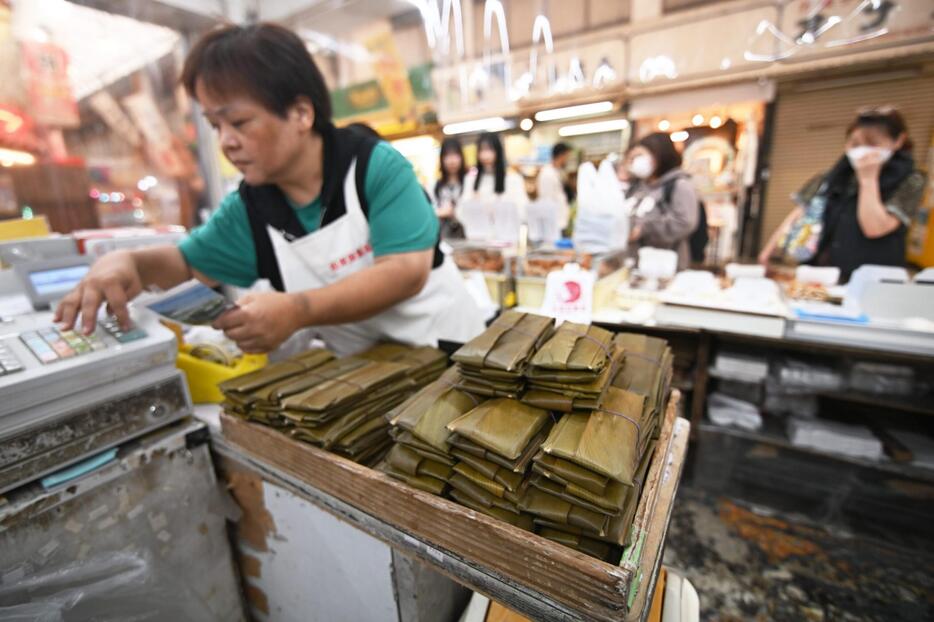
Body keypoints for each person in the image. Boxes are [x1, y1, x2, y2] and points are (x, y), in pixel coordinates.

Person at [55, 23, 483, 357]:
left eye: (238, 122)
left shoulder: (374, 167)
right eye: (215, 126)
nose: (225, 141)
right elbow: (185, 263)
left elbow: (404, 272)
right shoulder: (249, 209)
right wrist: (128, 263)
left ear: (300, 112)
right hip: (370, 387)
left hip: (451, 358)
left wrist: (296, 311)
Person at [758, 107, 925, 281]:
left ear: (898, 141)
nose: (862, 151)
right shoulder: (833, 176)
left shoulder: (912, 180)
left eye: (873, 143)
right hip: (819, 273)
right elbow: (801, 212)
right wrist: (768, 252)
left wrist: (868, 180)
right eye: (855, 144)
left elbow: (874, 229)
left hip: (870, 281)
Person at [625, 133, 700, 269]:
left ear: (659, 155)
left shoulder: (679, 185)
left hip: (664, 267)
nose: (636, 162)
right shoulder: (637, 187)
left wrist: (644, 229)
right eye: (633, 158)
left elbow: (685, 222)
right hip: (633, 264)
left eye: (640, 156)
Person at [460, 132, 528, 222]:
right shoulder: (470, 180)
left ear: (498, 151)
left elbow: (523, 212)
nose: (485, 156)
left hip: (505, 232)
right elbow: (461, 212)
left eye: (489, 149)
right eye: (481, 150)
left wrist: (499, 212)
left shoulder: (513, 179)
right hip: (479, 233)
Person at [433, 137, 467, 239]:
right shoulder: (435, 186)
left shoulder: (470, 183)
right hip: (444, 241)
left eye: (455, 155)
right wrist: (441, 212)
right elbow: (428, 213)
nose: (451, 160)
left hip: (469, 239)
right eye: (447, 155)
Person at [536, 142, 572, 231]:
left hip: (560, 222)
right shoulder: (547, 174)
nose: (567, 160)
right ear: (561, 155)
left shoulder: (556, 172)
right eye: (567, 156)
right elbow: (547, 200)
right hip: (554, 224)